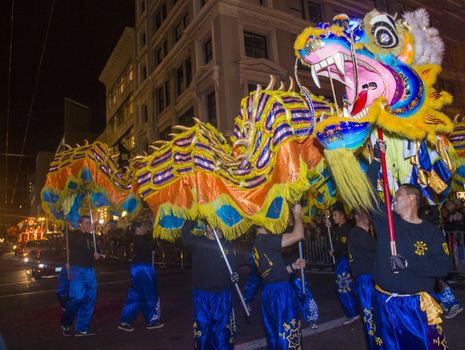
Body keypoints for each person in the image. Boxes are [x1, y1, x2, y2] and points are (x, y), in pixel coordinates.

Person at [367, 140, 450, 349]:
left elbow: (443, 267)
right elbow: (367, 195)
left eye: (398, 195)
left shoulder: (431, 232)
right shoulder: (388, 221)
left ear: (413, 199)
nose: (393, 199)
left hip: (415, 309)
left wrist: (408, 263)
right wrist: (377, 159)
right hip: (384, 304)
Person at [253, 202, 306, 349]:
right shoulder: (265, 240)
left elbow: (273, 272)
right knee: (288, 333)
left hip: (270, 291)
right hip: (280, 294)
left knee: (276, 334)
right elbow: (299, 235)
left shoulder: (257, 242)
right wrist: (297, 214)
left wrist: (292, 267)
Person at [182, 219, 237, 350]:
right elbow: (185, 233)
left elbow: (233, 266)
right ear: (207, 227)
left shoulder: (226, 244)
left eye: (220, 228)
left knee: (222, 333)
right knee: (203, 332)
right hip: (202, 295)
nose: (218, 230)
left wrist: (234, 275)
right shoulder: (197, 241)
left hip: (222, 295)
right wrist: (193, 216)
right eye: (215, 227)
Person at [60, 215, 103, 336]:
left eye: (90, 223)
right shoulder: (73, 235)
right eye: (86, 223)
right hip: (77, 270)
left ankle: (82, 327)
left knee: (90, 299)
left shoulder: (92, 237)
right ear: (80, 224)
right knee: (77, 298)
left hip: (90, 270)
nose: (89, 225)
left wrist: (97, 254)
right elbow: (64, 231)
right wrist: (64, 217)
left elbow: (97, 252)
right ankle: (65, 323)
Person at [118, 220, 163, 332]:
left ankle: (125, 320)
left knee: (135, 295)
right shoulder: (141, 240)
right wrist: (155, 231)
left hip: (136, 268)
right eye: (143, 226)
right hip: (144, 268)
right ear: (138, 228)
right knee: (150, 293)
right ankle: (152, 320)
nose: (145, 227)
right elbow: (153, 246)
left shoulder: (134, 239)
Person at [347, 211, 376, 349]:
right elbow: (377, 248)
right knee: (372, 318)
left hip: (369, 280)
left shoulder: (361, 234)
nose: (369, 216)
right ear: (357, 216)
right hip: (366, 282)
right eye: (365, 213)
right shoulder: (358, 233)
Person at [326, 204, 358, 325]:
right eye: (332, 215)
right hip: (341, 261)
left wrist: (334, 251)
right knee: (343, 287)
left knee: (344, 287)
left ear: (342, 215)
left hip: (344, 262)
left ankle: (352, 313)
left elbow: (343, 245)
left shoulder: (345, 228)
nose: (333, 218)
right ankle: (351, 312)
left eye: (335, 215)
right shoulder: (339, 228)